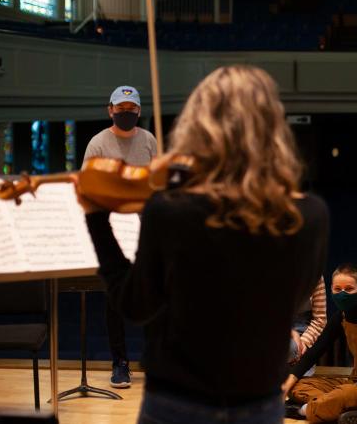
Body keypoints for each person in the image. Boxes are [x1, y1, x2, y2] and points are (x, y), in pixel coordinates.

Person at [76, 66, 329, 424]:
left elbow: (134, 304)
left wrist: (96, 219)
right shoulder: (311, 215)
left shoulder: (170, 208)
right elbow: (292, 298)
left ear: (199, 124)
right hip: (258, 400)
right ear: (272, 125)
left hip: (176, 399)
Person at [82, 85, 157, 388]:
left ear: (139, 111)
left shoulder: (149, 140)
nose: (126, 113)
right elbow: (88, 187)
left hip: (144, 227)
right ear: (109, 109)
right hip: (112, 228)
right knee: (115, 299)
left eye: (132, 109)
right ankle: (120, 362)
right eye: (121, 108)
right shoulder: (98, 143)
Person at [282, 264, 357, 423]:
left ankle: (302, 411)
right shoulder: (340, 317)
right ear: (331, 289)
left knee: (344, 394)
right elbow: (314, 352)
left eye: (349, 289)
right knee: (297, 387)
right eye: (337, 289)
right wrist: (288, 382)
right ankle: (345, 409)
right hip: (354, 380)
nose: (342, 294)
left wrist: (343, 392)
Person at [289, 277, 327, 373]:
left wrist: (303, 343)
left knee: (292, 349)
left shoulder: (315, 275)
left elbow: (320, 320)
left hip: (303, 334)